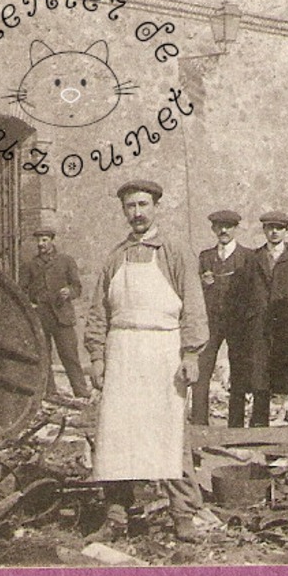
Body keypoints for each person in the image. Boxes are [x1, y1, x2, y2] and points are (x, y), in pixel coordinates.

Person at [85, 179, 210, 541]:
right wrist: (97, 356)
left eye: (143, 205)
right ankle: (116, 517)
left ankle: (182, 515)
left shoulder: (175, 251)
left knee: (169, 435)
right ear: (123, 211)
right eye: (130, 207)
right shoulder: (115, 256)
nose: (137, 213)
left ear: (155, 207)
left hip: (163, 352)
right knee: (117, 435)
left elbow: (194, 305)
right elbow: (98, 311)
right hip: (122, 352)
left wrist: (191, 354)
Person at [229, 210, 288, 427]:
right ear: (264, 230)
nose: (274, 232)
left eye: (279, 228)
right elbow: (241, 293)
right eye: (270, 228)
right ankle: (259, 426)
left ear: (286, 231)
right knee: (259, 377)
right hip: (259, 327)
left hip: (287, 327)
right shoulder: (252, 259)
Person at [192, 209, 254, 426]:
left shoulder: (248, 256)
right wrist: (203, 283)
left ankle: (235, 427)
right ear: (213, 229)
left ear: (236, 228)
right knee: (201, 373)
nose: (224, 230)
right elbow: (193, 290)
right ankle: (199, 425)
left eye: (228, 226)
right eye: (219, 226)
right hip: (211, 324)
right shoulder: (205, 257)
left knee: (238, 375)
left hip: (237, 324)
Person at [19, 226, 92, 400]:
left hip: (62, 315)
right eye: (38, 240)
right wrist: (31, 303)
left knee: (69, 355)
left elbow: (77, 287)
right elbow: (22, 290)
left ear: (52, 240)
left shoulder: (65, 261)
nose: (41, 244)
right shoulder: (30, 265)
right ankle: (49, 392)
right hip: (40, 316)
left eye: (44, 240)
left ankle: (81, 392)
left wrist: (69, 291)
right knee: (44, 356)